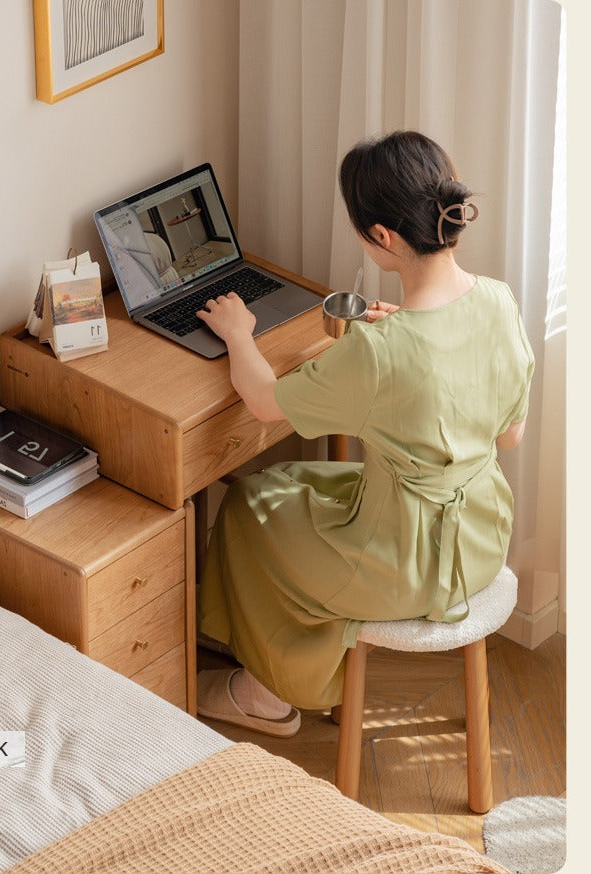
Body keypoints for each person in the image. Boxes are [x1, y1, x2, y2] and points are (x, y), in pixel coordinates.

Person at [194, 130, 535, 737]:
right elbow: (509, 437)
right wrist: (415, 329)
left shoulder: (378, 353)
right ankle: (259, 650)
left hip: (406, 565)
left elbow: (266, 402)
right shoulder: (498, 302)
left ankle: (267, 693)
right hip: (482, 539)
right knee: (295, 480)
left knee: (248, 504)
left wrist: (239, 332)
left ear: (382, 237)